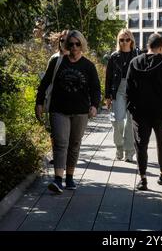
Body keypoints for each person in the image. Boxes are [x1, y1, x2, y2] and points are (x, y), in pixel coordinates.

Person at [35, 30, 101, 193]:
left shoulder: (88, 66)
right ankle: (58, 180)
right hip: (59, 109)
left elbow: (95, 89)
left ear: (82, 44)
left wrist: (94, 105)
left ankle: (70, 178)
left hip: (80, 111)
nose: (74, 47)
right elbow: (45, 83)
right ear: (66, 45)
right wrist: (39, 103)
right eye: (70, 44)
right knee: (60, 143)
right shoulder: (58, 62)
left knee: (74, 144)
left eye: (77, 44)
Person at [126, 33, 162, 191]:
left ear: (148, 45)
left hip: (140, 112)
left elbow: (129, 89)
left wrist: (132, 108)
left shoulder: (134, 62)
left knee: (141, 145)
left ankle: (143, 179)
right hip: (160, 112)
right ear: (161, 47)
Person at [105, 29, 138, 162]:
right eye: (121, 40)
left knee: (130, 122)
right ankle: (119, 147)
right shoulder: (114, 56)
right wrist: (107, 96)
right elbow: (108, 77)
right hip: (118, 89)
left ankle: (129, 152)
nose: (124, 42)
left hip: (133, 91)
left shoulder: (137, 55)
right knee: (118, 121)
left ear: (131, 41)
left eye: (127, 39)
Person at [46, 30, 70, 165]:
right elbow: (47, 79)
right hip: (54, 98)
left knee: (67, 133)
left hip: (72, 101)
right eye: (62, 41)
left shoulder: (76, 58)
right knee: (54, 130)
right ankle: (57, 155)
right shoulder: (54, 58)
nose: (64, 44)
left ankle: (66, 155)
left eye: (67, 41)